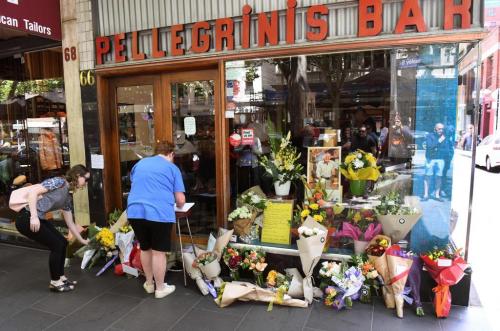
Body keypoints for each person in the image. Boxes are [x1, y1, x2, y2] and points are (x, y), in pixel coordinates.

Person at [14, 165, 90, 292]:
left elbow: (70, 223)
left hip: (38, 219)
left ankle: (61, 278)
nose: (86, 183)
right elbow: (33, 192)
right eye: (86, 179)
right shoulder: (58, 182)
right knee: (56, 245)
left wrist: (82, 240)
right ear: (77, 176)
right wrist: (33, 216)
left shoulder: (67, 197)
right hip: (26, 218)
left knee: (63, 242)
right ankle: (55, 282)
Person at [127, 141, 186, 299]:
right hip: (159, 213)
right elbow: (180, 199)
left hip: (134, 211)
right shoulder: (172, 168)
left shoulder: (140, 164)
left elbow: (136, 184)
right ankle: (160, 288)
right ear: (171, 154)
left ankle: (149, 283)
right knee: (159, 252)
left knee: (145, 248)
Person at [423, 123, 452, 202]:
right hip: (430, 159)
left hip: (440, 159)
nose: (441, 130)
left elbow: (446, 149)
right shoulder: (430, 136)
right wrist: (439, 141)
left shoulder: (444, 137)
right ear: (435, 129)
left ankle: (437, 195)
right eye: (439, 129)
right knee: (427, 176)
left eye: (442, 129)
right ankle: (426, 194)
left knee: (439, 177)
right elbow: (430, 146)